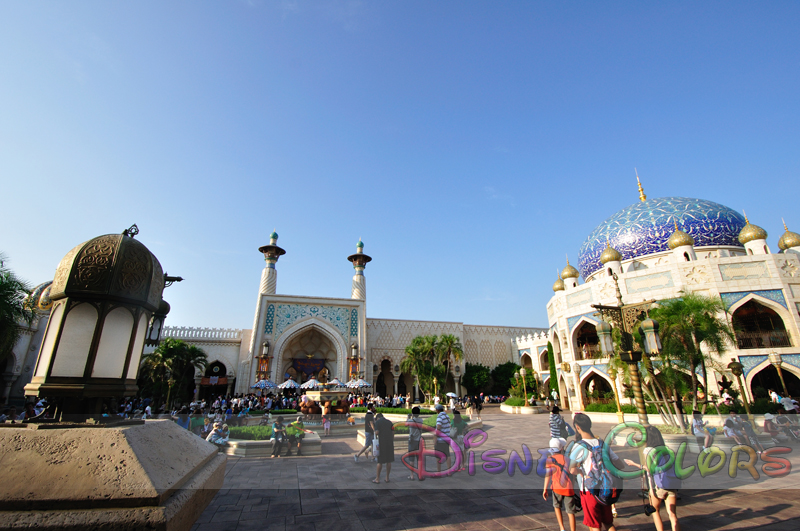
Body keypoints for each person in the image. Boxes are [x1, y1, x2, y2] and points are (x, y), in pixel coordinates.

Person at [569, 413, 627, 531]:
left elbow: (572, 469)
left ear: (577, 427)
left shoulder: (579, 446)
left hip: (589, 490)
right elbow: (620, 464)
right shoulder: (602, 443)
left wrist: (581, 471)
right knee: (608, 523)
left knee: (594, 525)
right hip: (606, 488)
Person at [625, 426, 681, 531]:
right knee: (673, 515)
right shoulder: (668, 450)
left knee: (655, 511)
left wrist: (634, 464)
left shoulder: (648, 450)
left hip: (657, 486)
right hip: (671, 484)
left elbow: (648, 468)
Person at [543, 437, 577, 531]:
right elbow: (573, 474)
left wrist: (545, 489)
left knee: (557, 506)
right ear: (561, 448)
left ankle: (562, 528)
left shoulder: (549, 460)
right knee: (570, 511)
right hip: (568, 488)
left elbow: (547, 475)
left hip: (556, 487)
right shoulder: (567, 459)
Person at [373, 412, 394, 483]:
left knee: (380, 461)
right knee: (389, 461)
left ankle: (377, 479)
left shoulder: (378, 422)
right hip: (389, 443)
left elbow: (377, 432)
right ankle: (387, 478)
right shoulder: (389, 422)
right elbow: (392, 433)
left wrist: (375, 432)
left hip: (382, 443)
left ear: (377, 418)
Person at [406, 406, 424, 481]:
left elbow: (406, 424)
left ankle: (412, 475)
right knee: (419, 458)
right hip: (419, 441)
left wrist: (408, 417)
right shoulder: (421, 420)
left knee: (411, 458)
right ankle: (420, 475)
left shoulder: (410, 421)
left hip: (412, 440)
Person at [434, 404, 452, 476]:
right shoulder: (447, 416)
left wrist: (435, 437)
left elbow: (438, 428)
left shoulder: (439, 417)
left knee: (438, 455)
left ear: (438, 410)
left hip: (440, 439)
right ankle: (449, 471)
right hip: (447, 438)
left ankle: (439, 472)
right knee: (447, 454)